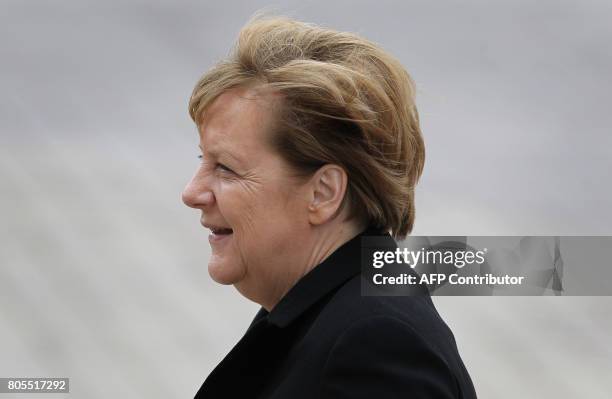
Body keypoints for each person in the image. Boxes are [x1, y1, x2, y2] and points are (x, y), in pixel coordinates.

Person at [182, 14, 477, 399]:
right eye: (202, 159)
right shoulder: (318, 313)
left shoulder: (375, 348)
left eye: (226, 168)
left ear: (323, 193)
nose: (192, 192)